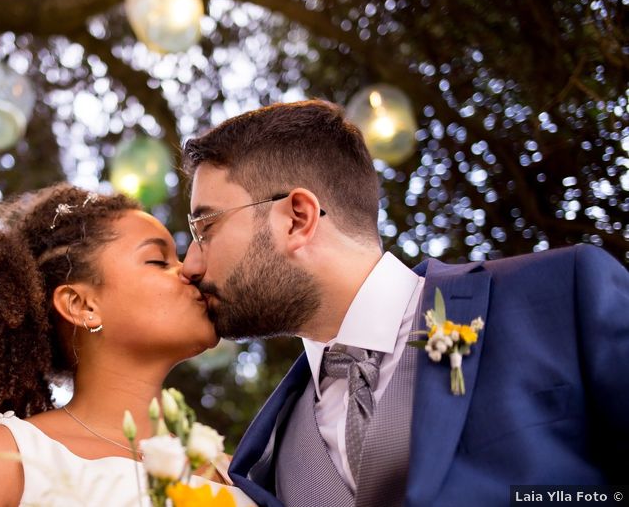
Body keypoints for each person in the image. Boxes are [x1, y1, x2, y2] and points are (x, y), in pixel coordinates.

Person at [179, 100, 629, 507]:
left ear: (298, 218)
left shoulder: (560, 296)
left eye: (206, 228)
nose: (190, 265)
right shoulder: (262, 462)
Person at [0, 184, 254, 507]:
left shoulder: (232, 468)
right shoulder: (1, 458)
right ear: (81, 306)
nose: (191, 269)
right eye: (158, 261)